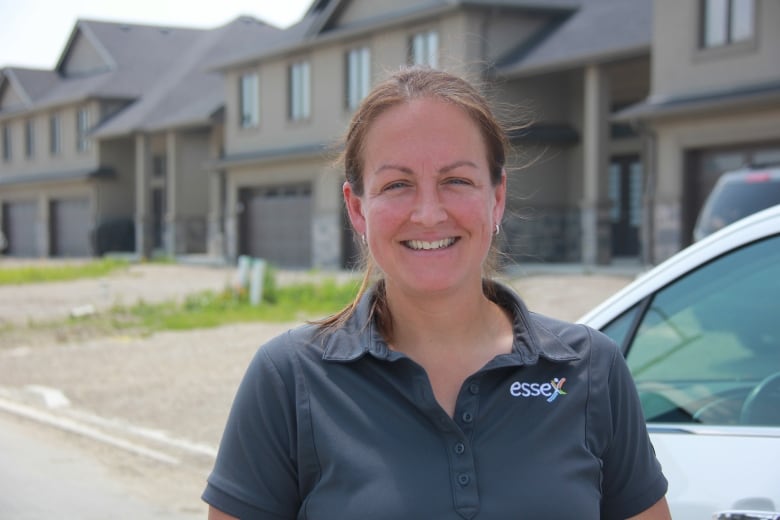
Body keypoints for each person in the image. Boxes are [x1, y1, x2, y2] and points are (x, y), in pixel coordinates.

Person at [202, 66, 671, 519]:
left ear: (497, 197)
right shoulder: (289, 380)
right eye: (397, 184)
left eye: (457, 181)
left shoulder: (591, 369)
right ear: (357, 208)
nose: (429, 214)